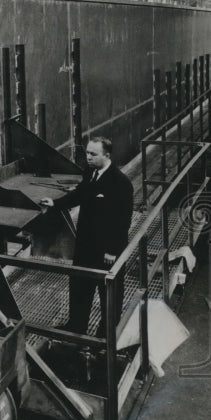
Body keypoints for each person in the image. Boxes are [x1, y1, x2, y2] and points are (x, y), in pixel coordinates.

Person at [39, 136, 134, 336]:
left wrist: (112, 251)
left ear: (107, 155)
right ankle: (76, 325)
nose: (88, 157)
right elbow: (79, 194)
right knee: (80, 285)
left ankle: (106, 334)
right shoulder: (90, 172)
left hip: (107, 250)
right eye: (87, 153)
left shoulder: (121, 183)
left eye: (93, 154)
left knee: (109, 293)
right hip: (85, 245)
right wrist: (55, 203)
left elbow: (122, 221)